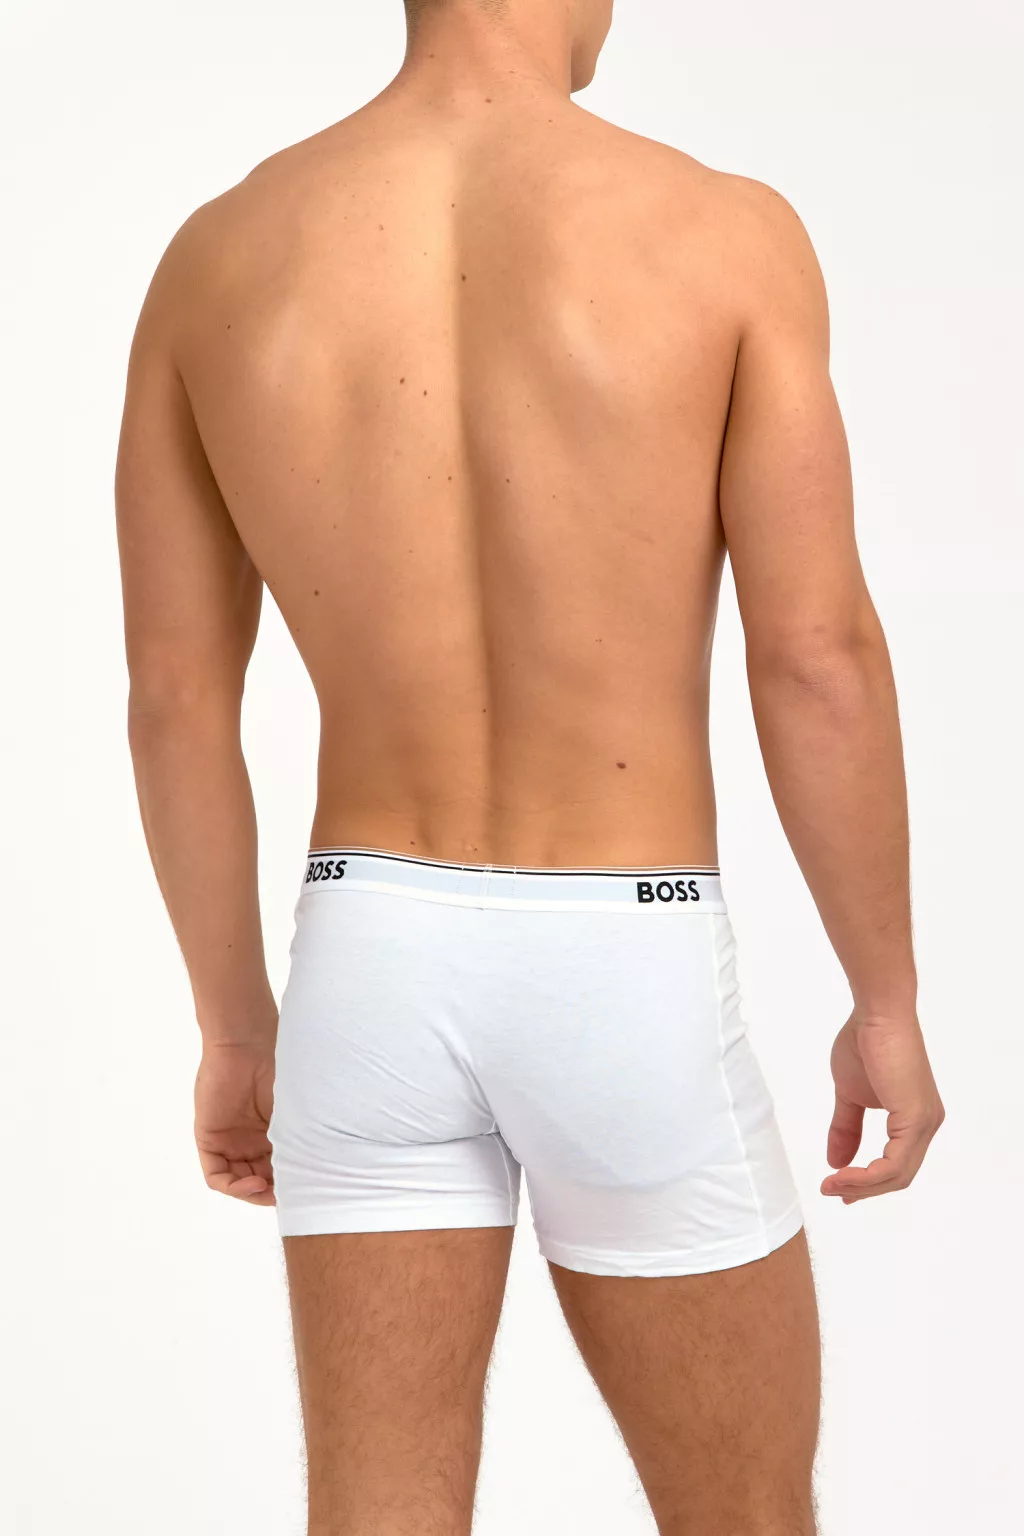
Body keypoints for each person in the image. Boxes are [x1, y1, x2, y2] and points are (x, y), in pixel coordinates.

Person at [115, 1, 944, 1530]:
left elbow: (175, 696)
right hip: (622, 951)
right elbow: (815, 654)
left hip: (368, 951)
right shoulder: (723, 234)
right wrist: (883, 998)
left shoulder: (220, 256)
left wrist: (235, 1026)